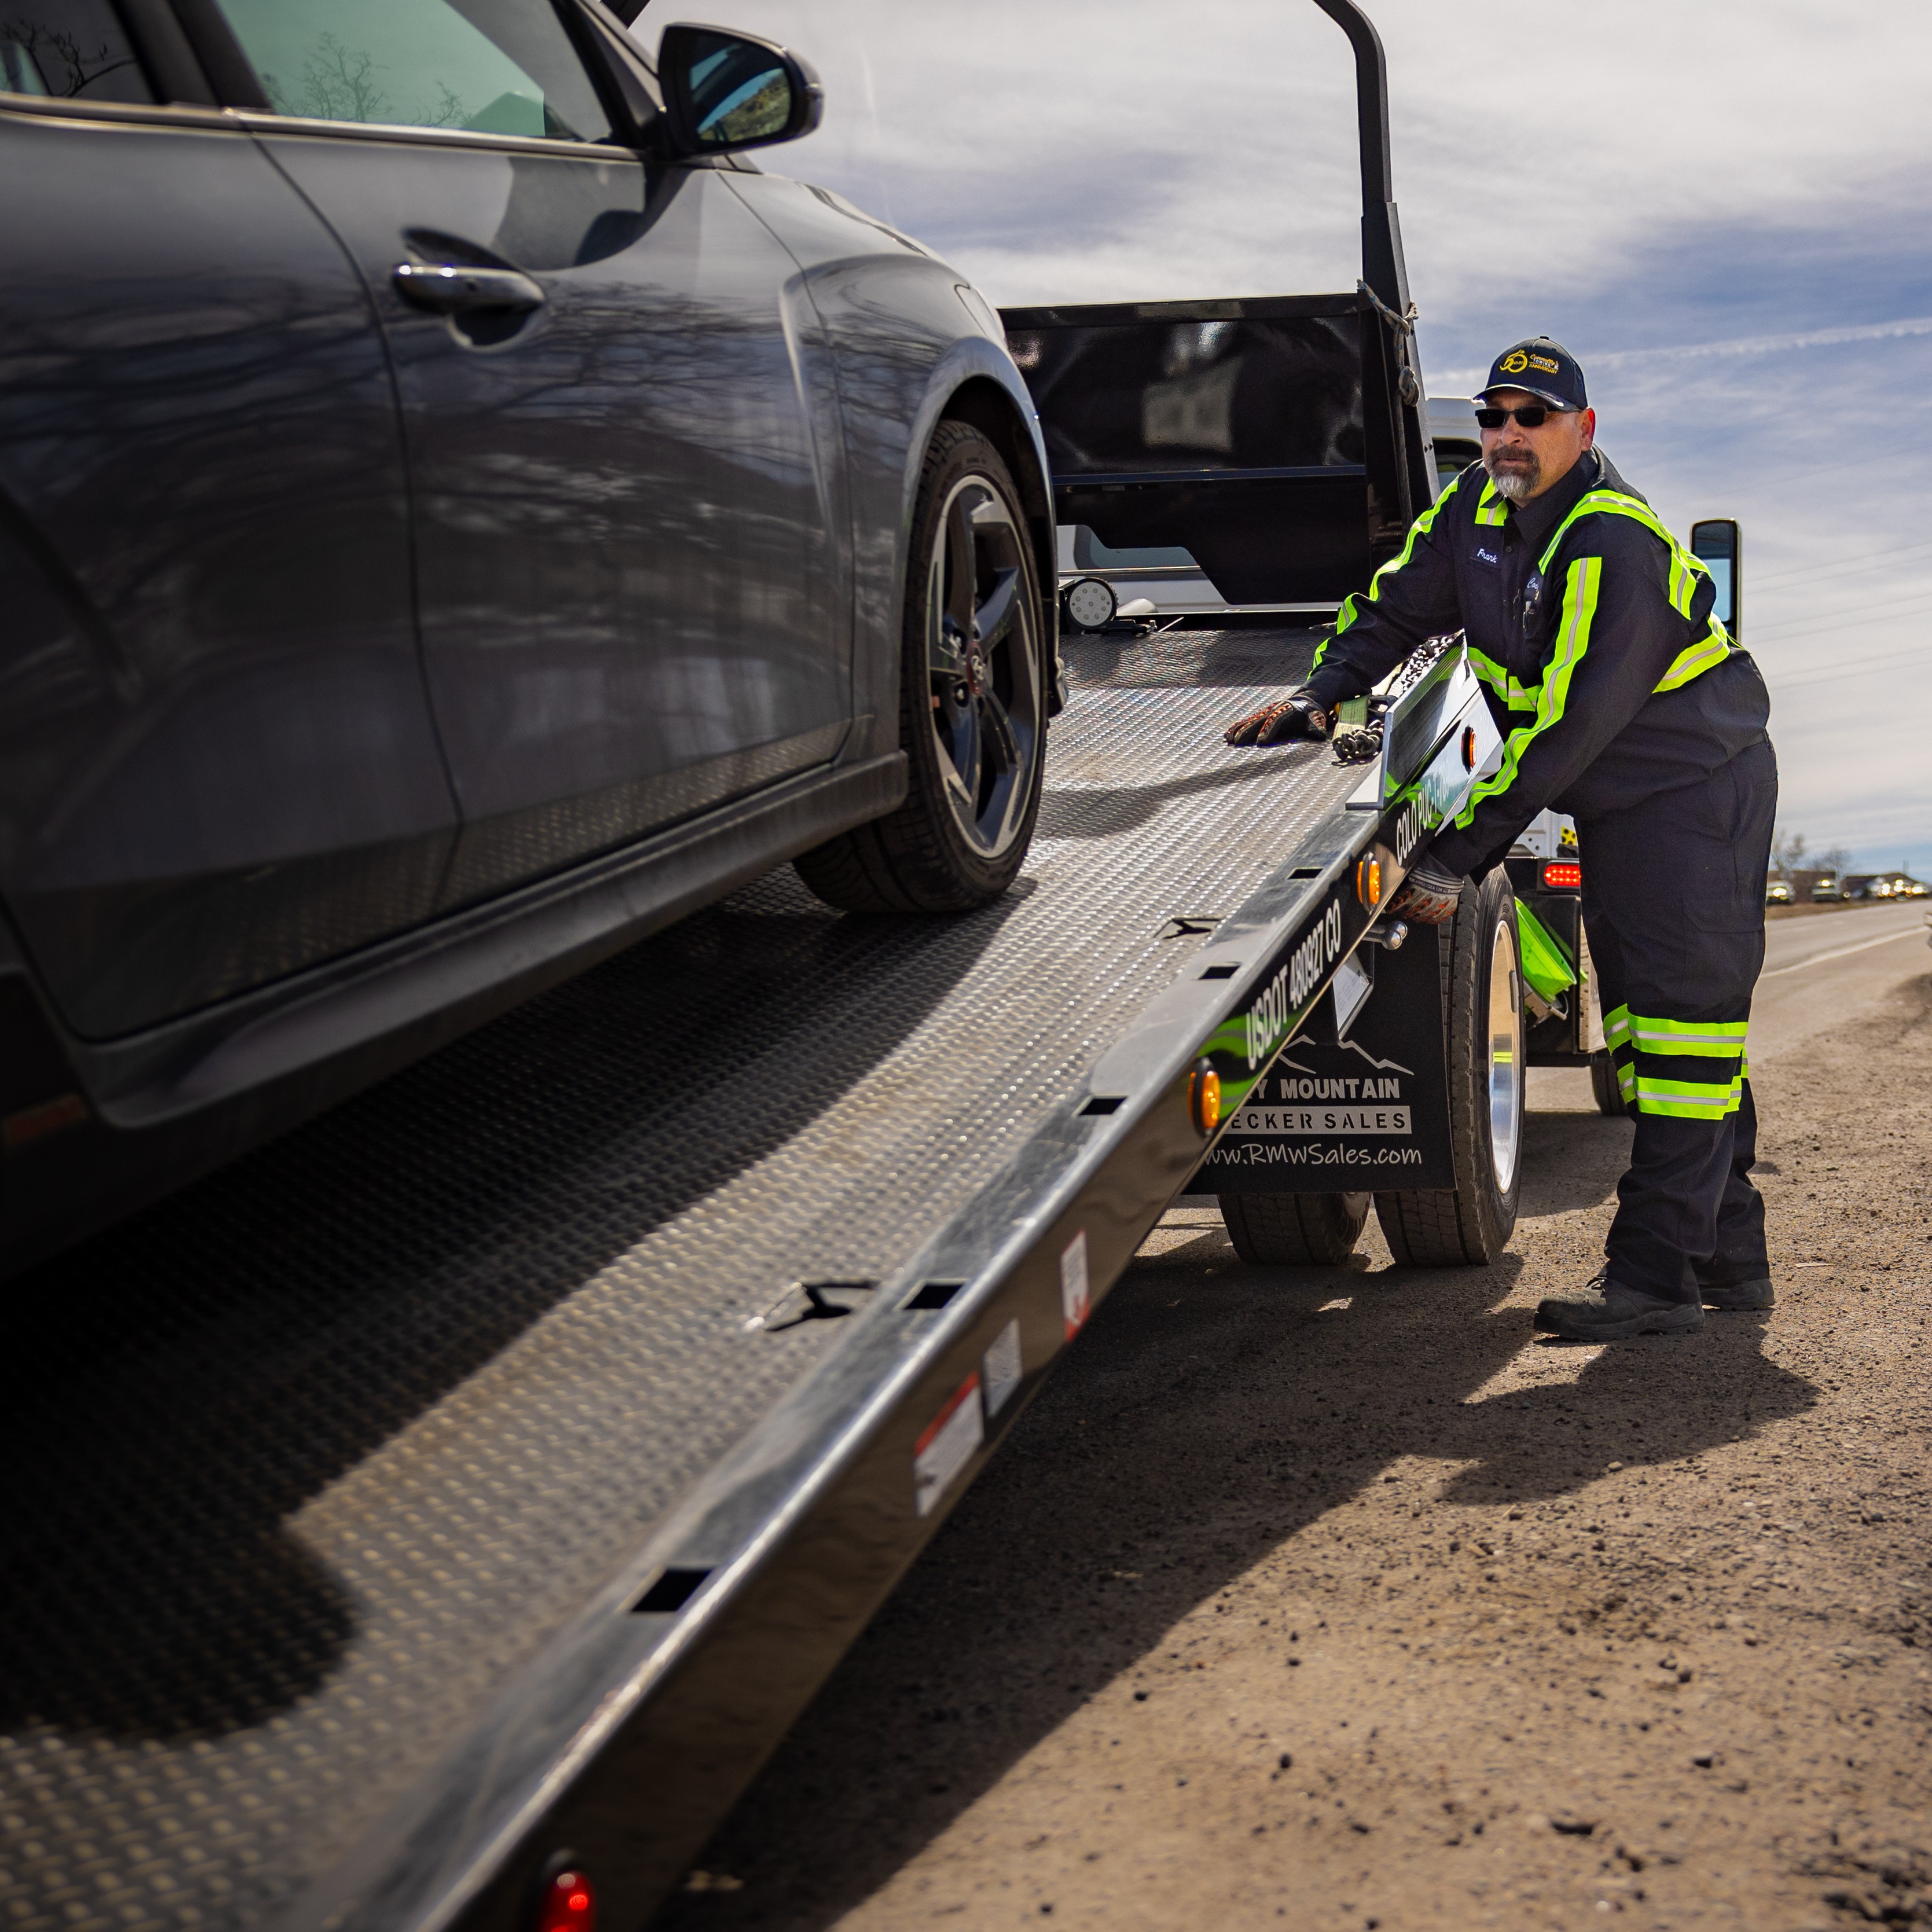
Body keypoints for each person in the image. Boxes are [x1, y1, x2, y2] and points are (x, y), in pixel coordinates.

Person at [1223, 337, 1776, 1341]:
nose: (1508, 436)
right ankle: (1731, 1265)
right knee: (1658, 1042)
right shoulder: (1473, 512)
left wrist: (1457, 852)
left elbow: (1563, 731)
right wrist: (1320, 693)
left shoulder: (1613, 544)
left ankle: (1652, 1279)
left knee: (1687, 1032)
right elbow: (1392, 607)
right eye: (1494, 417)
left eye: (1533, 416)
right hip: (1622, 804)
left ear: (1582, 429)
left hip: (1698, 796)